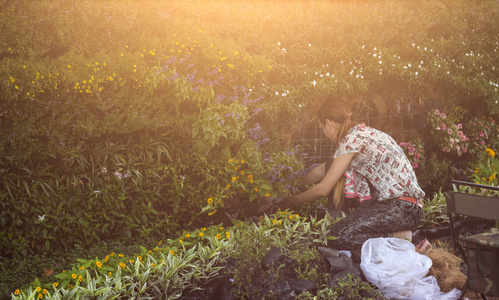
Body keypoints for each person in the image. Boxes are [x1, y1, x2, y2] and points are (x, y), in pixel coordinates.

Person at [283, 97, 424, 251]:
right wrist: (294, 185)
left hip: (401, 209)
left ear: (328, 123)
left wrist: (295, 200)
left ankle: (403, 239)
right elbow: (323, 170)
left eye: (321, 126)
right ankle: (397, 236)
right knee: (347, 227)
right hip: (404, 206)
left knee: (337, 235)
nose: (323, 131)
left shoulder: (350, 141)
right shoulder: (361, 133)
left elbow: (323, 189)